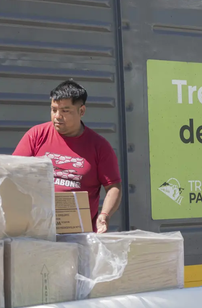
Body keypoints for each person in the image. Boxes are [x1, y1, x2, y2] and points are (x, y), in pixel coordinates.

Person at [13, 79, 121, 233]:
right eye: (54, 109)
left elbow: (113, 187)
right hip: (37, 229)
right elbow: (14, 172)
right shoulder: (36, 135)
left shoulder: (99, 146)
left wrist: (104, 215)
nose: (57, 116)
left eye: (65, 111)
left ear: (81, 111)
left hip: (78, 235)